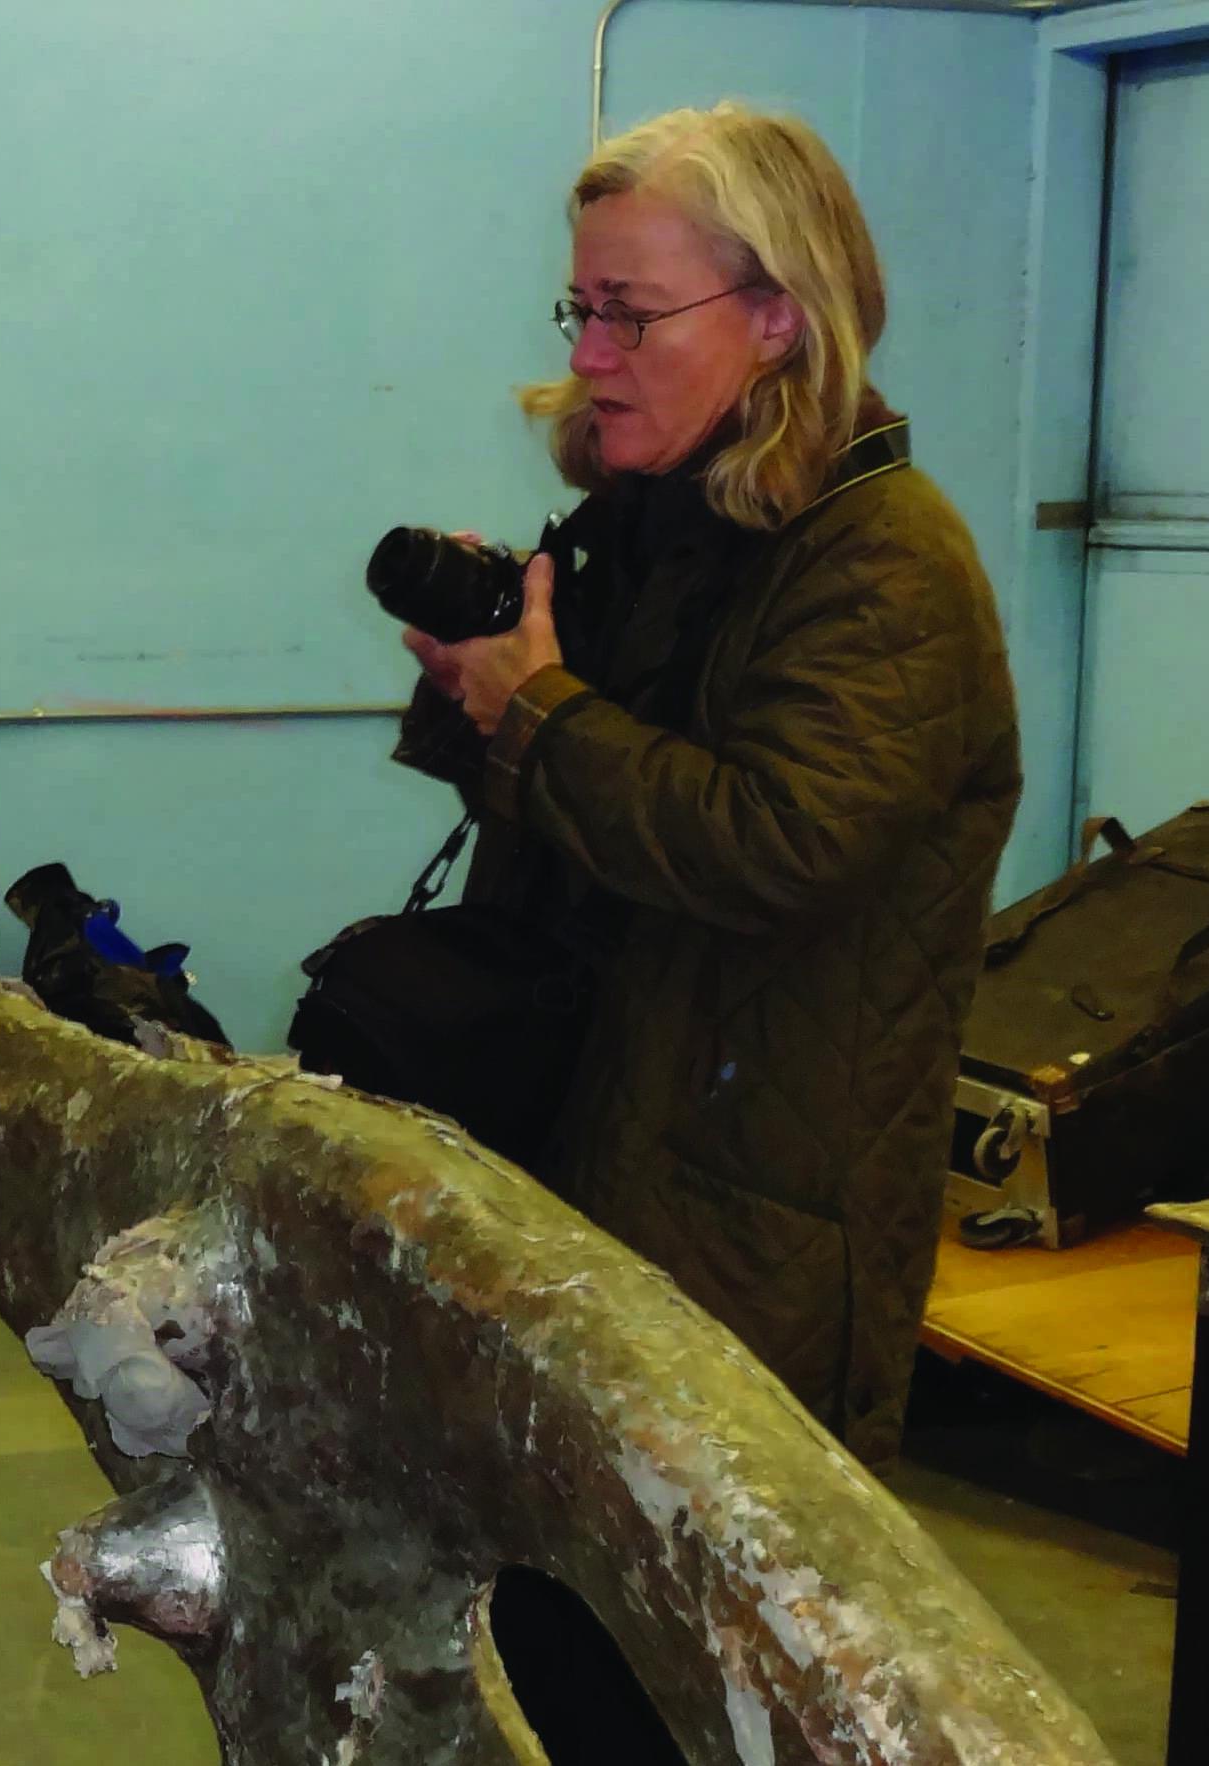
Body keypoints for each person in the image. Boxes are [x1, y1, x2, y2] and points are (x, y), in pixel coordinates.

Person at [400, 105, 1023, 1470]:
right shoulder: (674, 523)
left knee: (687, 1664)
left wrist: (539, 712)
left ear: (777, 318)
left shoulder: (882, 561)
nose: (586, 356)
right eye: (578, 308)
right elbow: (582, 829)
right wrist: (478, 688)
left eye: (628, 314)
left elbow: (774, 843)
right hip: (595, 1154)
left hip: (748, 1227)